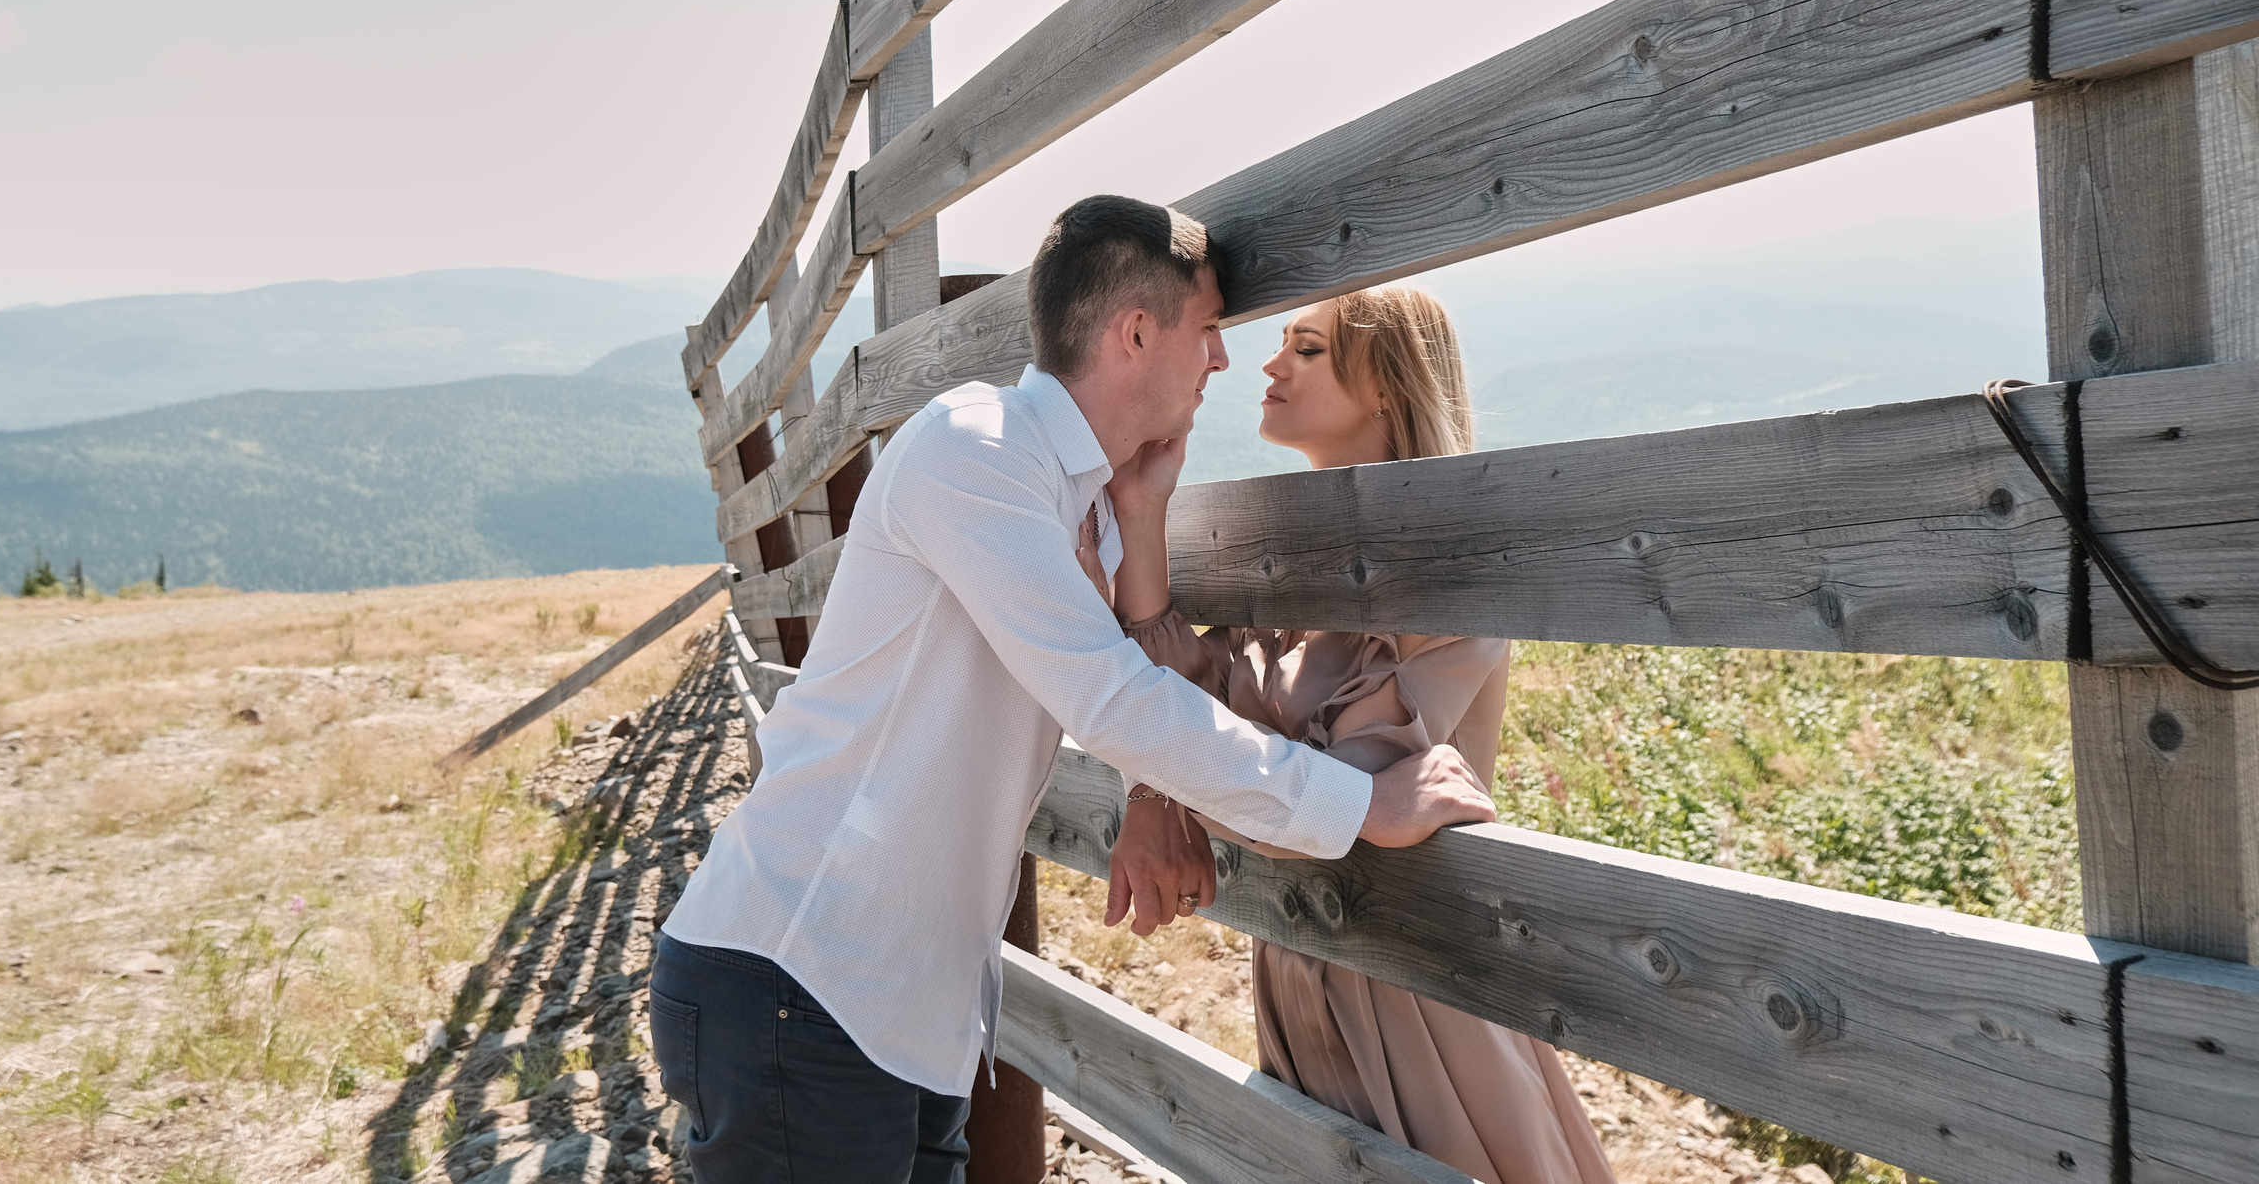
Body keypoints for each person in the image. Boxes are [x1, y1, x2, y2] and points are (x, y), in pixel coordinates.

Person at [654, 198, 1497, 1183]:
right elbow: (1110, 695)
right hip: (799, 979)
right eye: (1208, 330)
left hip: (903, 1012)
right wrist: (1362, 802)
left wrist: (1149, 786)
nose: (1223, 360)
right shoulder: (973, 452)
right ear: (1134, 333)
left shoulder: (1080, 501)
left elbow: (1118, 676)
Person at [1099, 283, 1617, 1184]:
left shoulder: (1447, 582)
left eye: (1306, 347)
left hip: (1415, 999)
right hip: (1295, 968)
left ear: (1386, 384)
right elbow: (1178, 704)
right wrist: (1141, 510)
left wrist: (1189, 770)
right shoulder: (1280, 562)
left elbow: (1313, 807)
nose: (1268, 362)